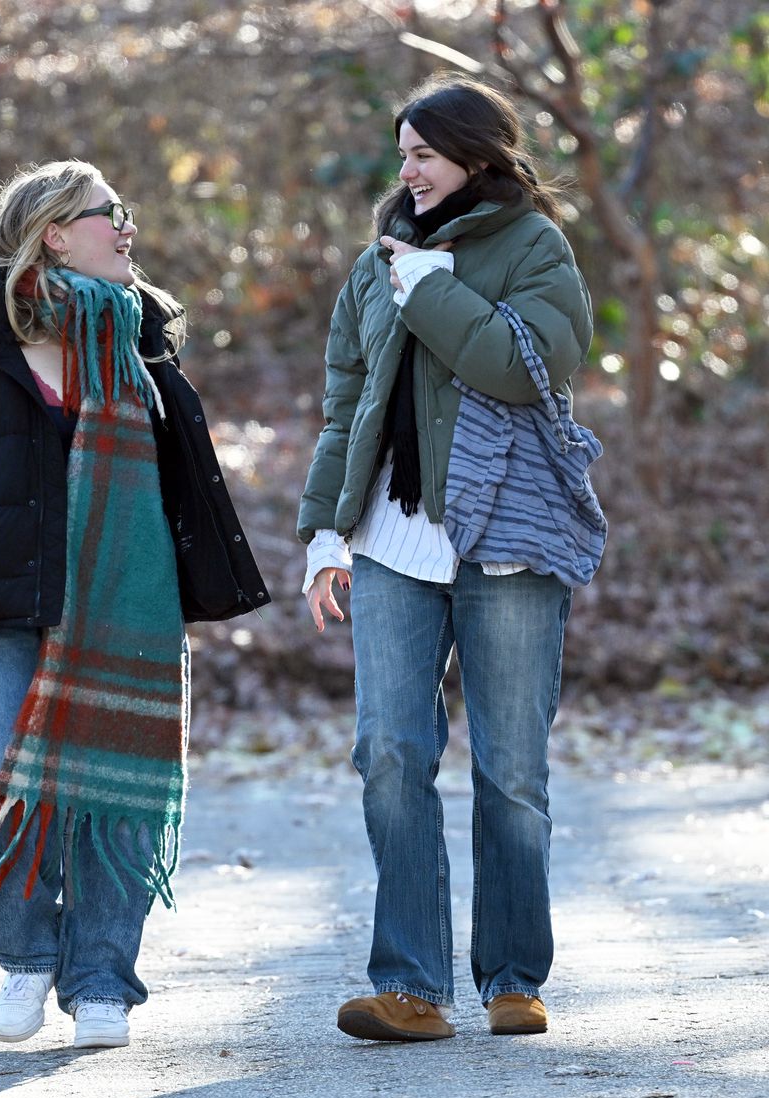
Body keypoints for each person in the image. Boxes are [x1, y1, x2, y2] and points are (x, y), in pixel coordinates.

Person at [0, 160, 268, 1050]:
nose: (127, 228)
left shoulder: (142, 338)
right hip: (4, 605)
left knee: (118, 789)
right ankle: (27, 954)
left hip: (126, 608)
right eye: (113, 213)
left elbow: (181, 479)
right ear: (56, 231)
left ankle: (101, 979)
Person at [298, 76, 595, 1041]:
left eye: (424, 152)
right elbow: (348, 405)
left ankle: (513, 978)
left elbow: (521, 367)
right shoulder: (372, 263)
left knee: (511, 771)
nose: (408, 171)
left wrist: (432, 290)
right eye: (402, 154)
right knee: (390, 755)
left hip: (506, 539)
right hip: (389, 538)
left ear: (477, 155)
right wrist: (322, 530)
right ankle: (412, 987)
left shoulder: (535, 248)